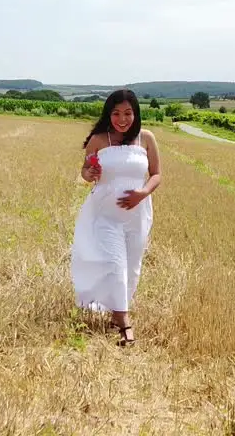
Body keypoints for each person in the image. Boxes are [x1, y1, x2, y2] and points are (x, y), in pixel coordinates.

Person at [70, 88, 162, 346]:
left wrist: (142, 193)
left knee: (132, 268)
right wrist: (89, 174)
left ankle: (116, 312)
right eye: (116, 113)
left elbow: (156, 174)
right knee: (115, 265)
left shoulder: (146, 138)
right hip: (105, 215)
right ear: (108, 114)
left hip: (137, 214)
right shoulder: (99, 140)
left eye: (128, 113)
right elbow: (87, 171)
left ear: (136, 113)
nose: (122, 119)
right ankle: (125, 324)